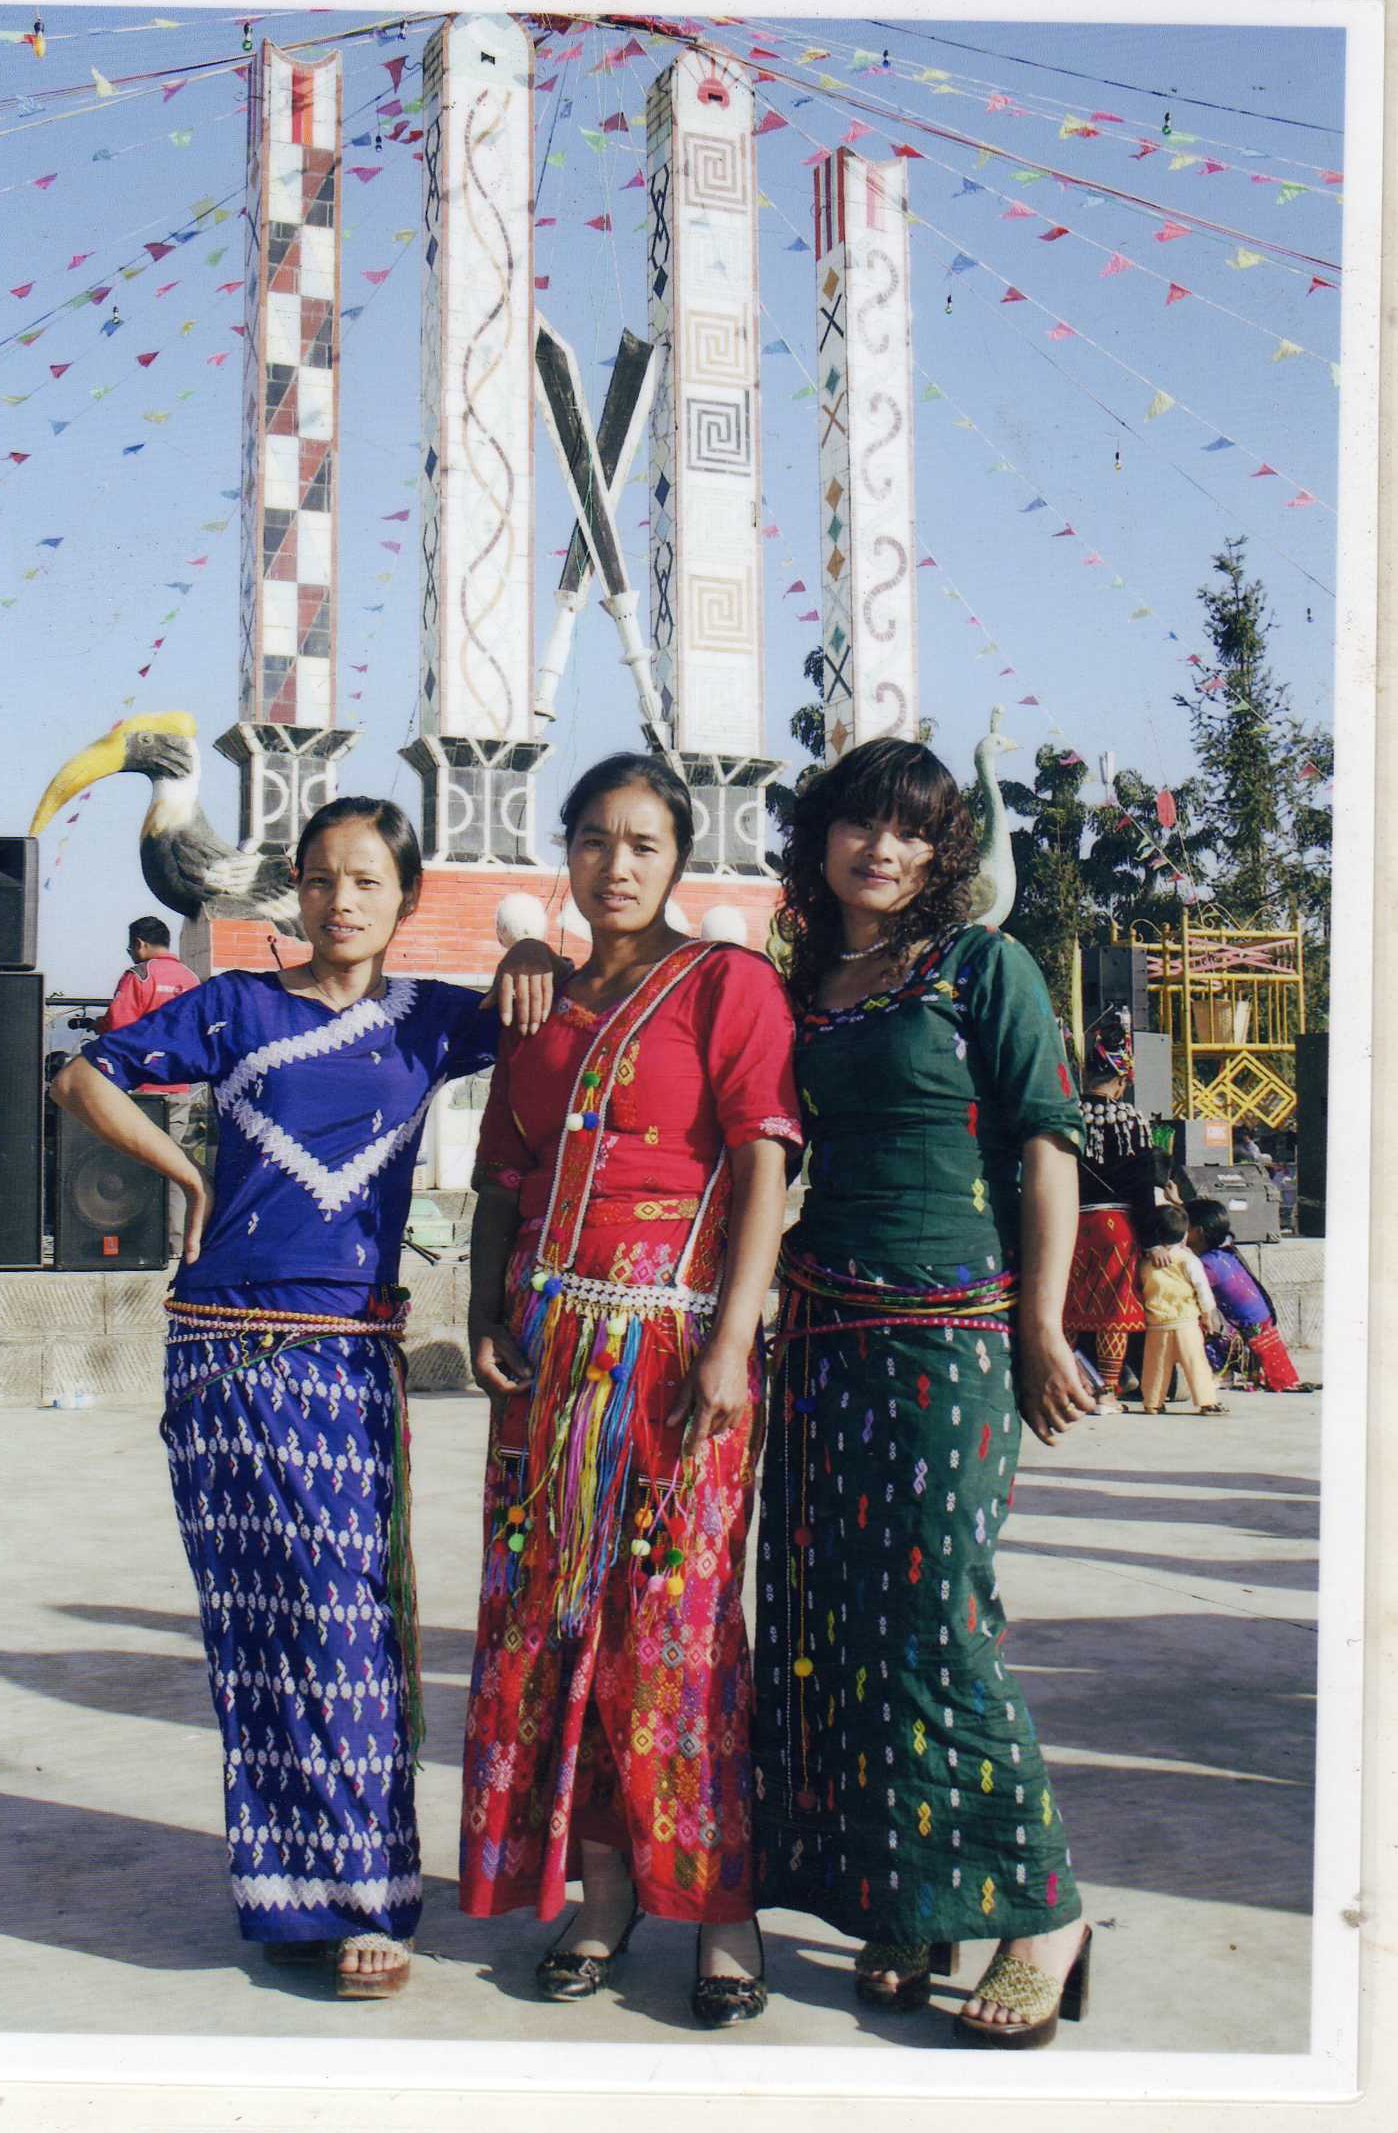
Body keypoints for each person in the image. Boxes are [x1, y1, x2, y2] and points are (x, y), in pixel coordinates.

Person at [49, 797, 557, 1999]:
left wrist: (533, 946)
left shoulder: (431, 1020)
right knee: (257, 1630)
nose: (342, 901)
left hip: (344, 1356)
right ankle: (288, 1895)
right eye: (323, 878)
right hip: (221, 1353)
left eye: (368, 881)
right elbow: (85, 1077)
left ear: (406, 899)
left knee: (347, 1624)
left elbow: (559, 1015)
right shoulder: (235, 1006)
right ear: (297, 887)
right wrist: (188, 1180)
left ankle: (372, 1895)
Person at [752, 737, 1096, 2051]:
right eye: (860, 824)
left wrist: (1042, 1328)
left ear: (942, 850)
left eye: (910, 831)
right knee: (836, 1629)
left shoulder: (981, 967)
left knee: (937, 1622)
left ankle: (1044, 1912)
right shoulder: (800, 980)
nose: (881, 850)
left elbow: (1047, 1149)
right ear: (822, 836)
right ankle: (910, 1895)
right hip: (819, 1333)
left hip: (949, 1334)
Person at [458, 752, 802, 2029]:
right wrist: (481, 1309)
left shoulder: (727, 984)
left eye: (645, 843)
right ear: (566, 852)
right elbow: (503, 1177)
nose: (617, 865)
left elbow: (764, 1159)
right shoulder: (535, 1002)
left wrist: (732, 1336)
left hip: (676, 1358)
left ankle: (720, 1911)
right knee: (555, 1628)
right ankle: (604, 1894)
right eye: (596, 840)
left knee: (677, 1629)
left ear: (680, 860)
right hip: (547, 1361)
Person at [69, 915, 205, 1257]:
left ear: (140, 944)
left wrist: (99, 1029)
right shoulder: (190, 978)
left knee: (130, 1163)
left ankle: (137, 1241)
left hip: (141, 1090)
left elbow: (120, 1026)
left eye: (131, 947)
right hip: (179, 1087)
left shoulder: (139, 975)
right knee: (176, 1164)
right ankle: (175, 1243)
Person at [1063, 1019, 1160, 1407]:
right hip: (1115, 1228)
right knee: (1112, 1312)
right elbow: (1143, 1188)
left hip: (1070, 1224)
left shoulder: (1067, 1114)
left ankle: (1068, 1386)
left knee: (1068, 1307)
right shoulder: (1131, 1120)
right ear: (1121, 1080)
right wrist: (1152, 1240)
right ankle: (1105, 1393)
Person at [1185, 1197, 1304, 1393]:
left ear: (1197, 1232)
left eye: (1184, 1226)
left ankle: (1220, 1373)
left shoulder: (1206, 1265)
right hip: (1262, 1332)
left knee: (1190, 1322)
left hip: (1248, 1344)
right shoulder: (1225, 1252)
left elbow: (1186, 1291)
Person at [1137, 1202, 1222, 1414]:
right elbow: (1202, 1289)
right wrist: (1208, 1314)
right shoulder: (1188, 1259)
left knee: (1155, 1366)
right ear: (1184, 1234)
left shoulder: (1144, 1263)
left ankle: (1153, 1402)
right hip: (1186, 1322)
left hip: (1156, 1323)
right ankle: (1206, 1401)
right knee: (1196, 1363)